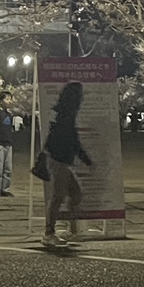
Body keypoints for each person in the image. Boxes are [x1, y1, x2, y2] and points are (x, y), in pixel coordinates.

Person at [41, 81, 93, 247]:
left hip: (61, 159)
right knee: (59, 197)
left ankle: (70, 229)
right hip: (59, 160)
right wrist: (86, 159)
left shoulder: (64, 113)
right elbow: (73, 140)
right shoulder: (66, 116)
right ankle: (49, 233)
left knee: (75, 194)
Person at [0, 92, 16, 196]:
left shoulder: (9, 115)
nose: (9, 101)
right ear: (1, 101)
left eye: (10, 99)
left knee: (8, 168)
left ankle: (5, 189)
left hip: (8, 144)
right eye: (7, 99)